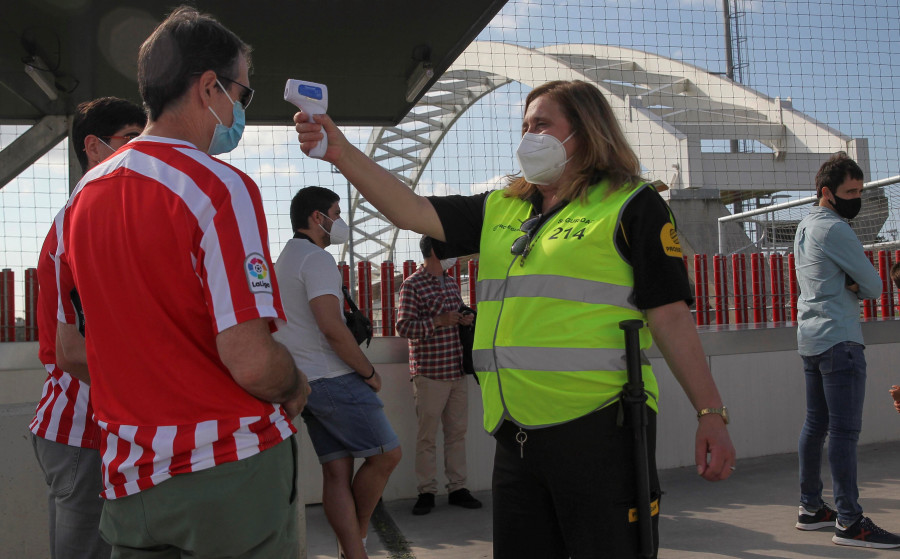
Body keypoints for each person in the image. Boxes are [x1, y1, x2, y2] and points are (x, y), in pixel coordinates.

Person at [294, 79, 735, 558]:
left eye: (541, 124)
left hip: (601, 432)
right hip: (515, 434)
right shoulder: (502, 207)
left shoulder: (632, 204)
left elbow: (670, 316)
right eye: (524, 125)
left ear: (585, 132)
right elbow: (411, 210)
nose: (528, 135)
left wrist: (709, 413)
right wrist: (341, 152)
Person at [53, 6, 310, 558]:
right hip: (228, 474)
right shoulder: (218, 187)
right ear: (210, 87)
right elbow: (252, 360)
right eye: (243, 93)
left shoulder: (79, 202)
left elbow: (71, 350)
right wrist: (294, 384)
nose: (241, 109)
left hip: (128, 480)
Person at [29, 96, 146, 559]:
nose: (144, 151)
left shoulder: (111, 218)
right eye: (132, 139)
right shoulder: (81, 221)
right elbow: (72, 352)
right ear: (94, 148)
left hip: (102, 430)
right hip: (83, 431)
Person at [272, 186, 401, 559]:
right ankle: (358, 536)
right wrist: (369, 373)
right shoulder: (316, 259)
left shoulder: (287, 257)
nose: (339, 221)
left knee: (336, 471)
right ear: (318, 218)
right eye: (336, 212)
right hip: (333, 378)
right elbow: (331, 327)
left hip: (305, 382)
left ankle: (353, 552)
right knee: (387, 455)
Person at [793, 152, 900, 548]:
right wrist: (855, 284)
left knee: (815, 425)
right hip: (840, 340)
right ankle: (850, 522)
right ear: (827, 192)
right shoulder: (836, 229)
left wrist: (848, 282)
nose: (856, 197)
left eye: (860, 190)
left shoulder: (805, 227)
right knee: (843, 431)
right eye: (850, 191)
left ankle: (811, 508)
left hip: (811, 339)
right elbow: (873, 286)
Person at [396, 235, 481, 516]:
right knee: (427, 437)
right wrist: (439, 321)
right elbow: (404, 327)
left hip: (455, 370)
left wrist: (464, 318)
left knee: (457, 434)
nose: (453, 253)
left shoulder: (452, 282)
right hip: (430, 372)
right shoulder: (412, 284)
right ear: (434, 250)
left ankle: (457, 488)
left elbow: (454, 317)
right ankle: (427, 491)